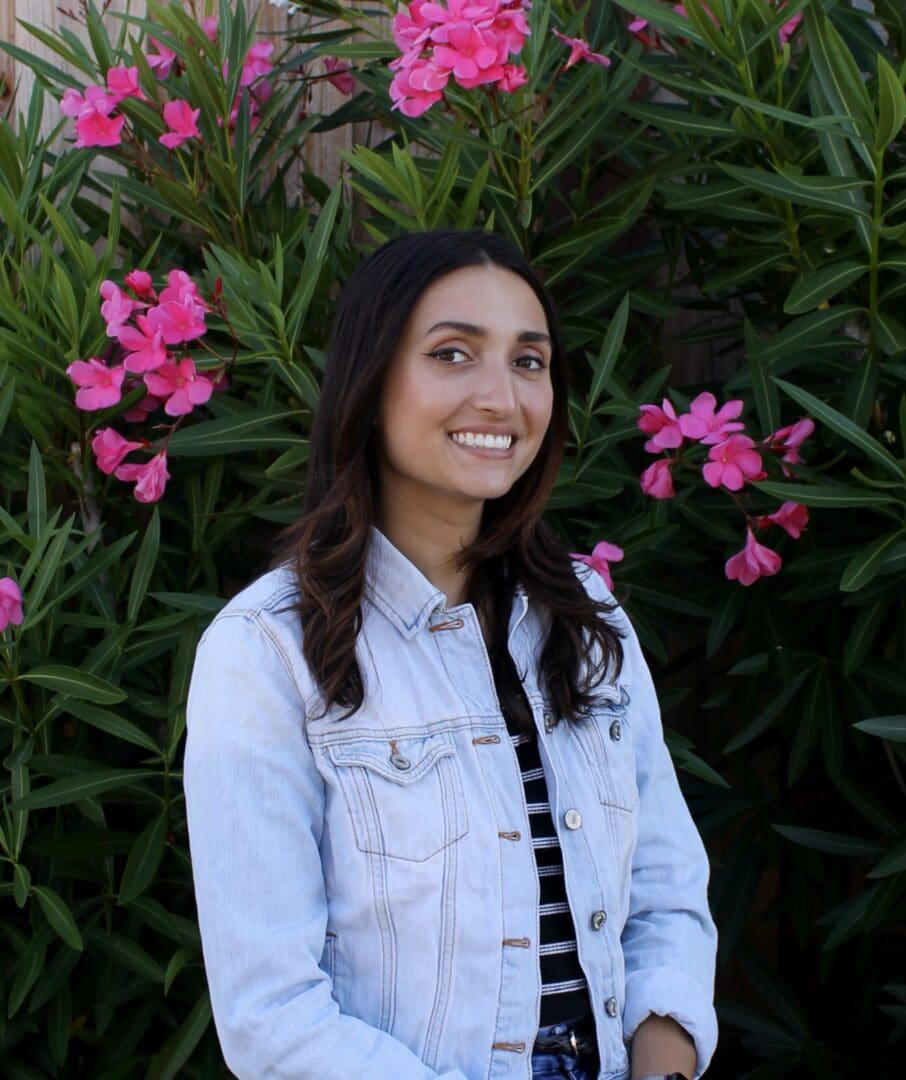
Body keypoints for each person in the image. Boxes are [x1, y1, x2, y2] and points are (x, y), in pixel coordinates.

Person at [184, 229, 718, 1080]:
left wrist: (665, 1064)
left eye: (529, 361)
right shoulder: (266, 651)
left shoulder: (586, 611)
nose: (500, 398)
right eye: (453, 353)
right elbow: (272, 1015)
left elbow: (665, 892)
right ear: (372, 380)